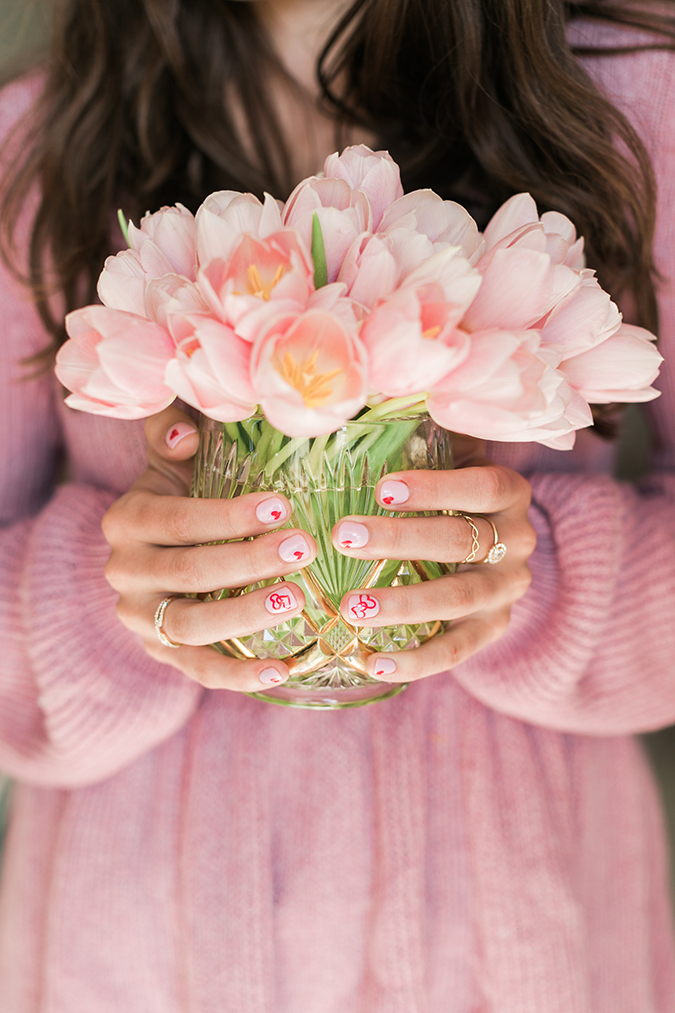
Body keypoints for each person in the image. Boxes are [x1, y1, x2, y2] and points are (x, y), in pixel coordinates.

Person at [0, 0, 674, 1009]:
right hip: (138, 953)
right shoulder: (30, 149)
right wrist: (110, 600)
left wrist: (534, 584)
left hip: (526, 941)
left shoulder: (637, 100)